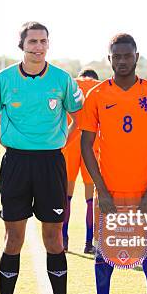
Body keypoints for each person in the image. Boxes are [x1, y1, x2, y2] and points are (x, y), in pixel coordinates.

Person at [0, 21, 82, 294]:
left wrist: (61, 142)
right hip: (15, 164)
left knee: (54, 239)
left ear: (48, 45)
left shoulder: (61, 79)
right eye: (33, 41)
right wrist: (10, 144)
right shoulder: (4, 79)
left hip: (51, 164)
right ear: (22, 45)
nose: (38, 46)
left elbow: (76, 117)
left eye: (43, 41)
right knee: (14, 238)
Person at [80, 33, 147, 294]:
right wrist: (101, 190)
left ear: (136, 56)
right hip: (109, 191)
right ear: (109, 59)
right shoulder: (96, 95)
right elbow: (86, 146)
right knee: (104, 250)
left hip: (145, 190)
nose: (122, 61)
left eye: (127, 55)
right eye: (116, 56)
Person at [61, 68, 100, 254]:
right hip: (92, 147)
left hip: (69, 144)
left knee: (66, 196)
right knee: (90, 199)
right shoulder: (100, 87)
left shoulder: (70, 83)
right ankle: (88, 242)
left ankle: (64, 239)